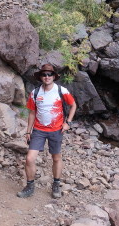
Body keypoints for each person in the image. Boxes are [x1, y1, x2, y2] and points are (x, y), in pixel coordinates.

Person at [17, 63, 77, 199]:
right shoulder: (35, 93)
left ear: (54, 76)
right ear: (41, 77)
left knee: (56, 158)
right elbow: (32, 113)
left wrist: (68, 122)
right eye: (44, 74)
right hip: (38, 130)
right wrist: (28, 131)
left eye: (49, 74)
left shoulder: (61, 90)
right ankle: (29, 187)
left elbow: (73, 105)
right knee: (29, 159)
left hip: (56, 130)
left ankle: (56, 185)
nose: (47, 76)